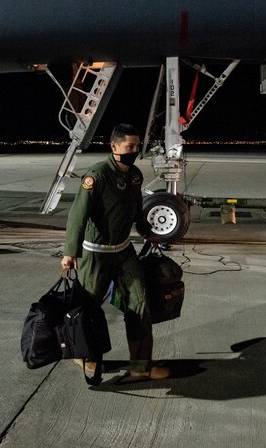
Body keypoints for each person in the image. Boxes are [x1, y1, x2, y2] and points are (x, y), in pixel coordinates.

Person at [60, 123, 169, 380]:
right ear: (114, 146)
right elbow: (78, 215)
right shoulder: (97, 176)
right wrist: (70, 252)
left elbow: (136, 209)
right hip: (95, 254)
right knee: (88, 310)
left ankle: (141, 367)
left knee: (140, 305)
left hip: (123, 251)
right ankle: (85, 357)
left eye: (136, 146)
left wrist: (146, 232)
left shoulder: (134, 176)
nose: (133, 151)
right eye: (129, 146)